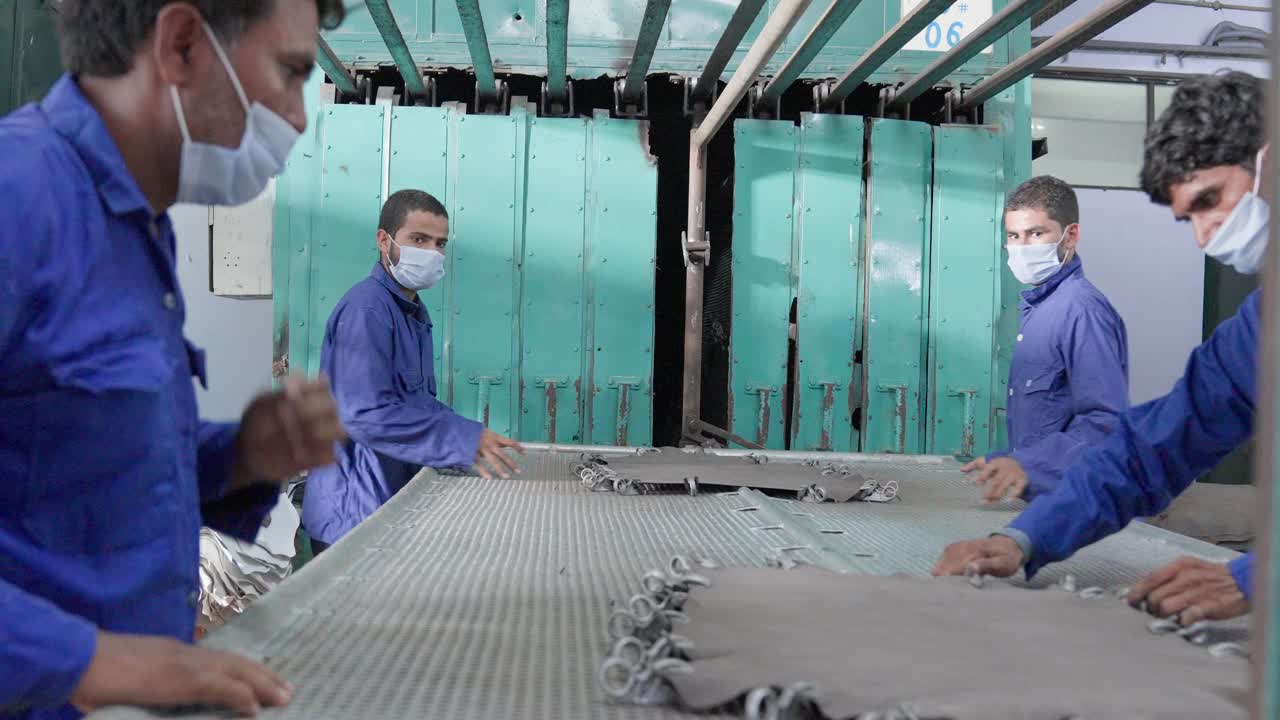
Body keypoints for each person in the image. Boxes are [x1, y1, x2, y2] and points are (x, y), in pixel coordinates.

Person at [0, 2, 349, 718]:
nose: (299, 118)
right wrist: (89, 659)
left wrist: (242, 458)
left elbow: (74, 477)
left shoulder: (140, 231)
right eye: (289, 74)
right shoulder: (18, 198)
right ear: (183, 44)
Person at [933, 71, 1268, 627]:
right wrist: (1025, 538)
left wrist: (1252, 578)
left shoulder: (1084, 309)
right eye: (1191, 219)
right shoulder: (1260, 331)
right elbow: (1154, 446)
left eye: (1212, 199)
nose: (1208, 238)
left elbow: (1102, 422)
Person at [301, 189, 525, 553]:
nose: (432, 253)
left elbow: (414, 401)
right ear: (383, 240)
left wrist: (476, 436)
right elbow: (364, 415)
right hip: (353, 513)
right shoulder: (367, 310)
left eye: (440, 243)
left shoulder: (411, 312)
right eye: (419, 239)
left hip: (384, 502)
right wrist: (461, 438)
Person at [963, 176, 1128, 503]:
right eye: (1013, 236)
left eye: (1036, 233)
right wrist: (1006, 464)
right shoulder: (1039, 310)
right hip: (1045, 500)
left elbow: (1104, 423)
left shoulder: (1081, 311)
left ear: (1071, 236)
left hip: (1082, 505)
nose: (1022, 247)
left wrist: (1024, 464)